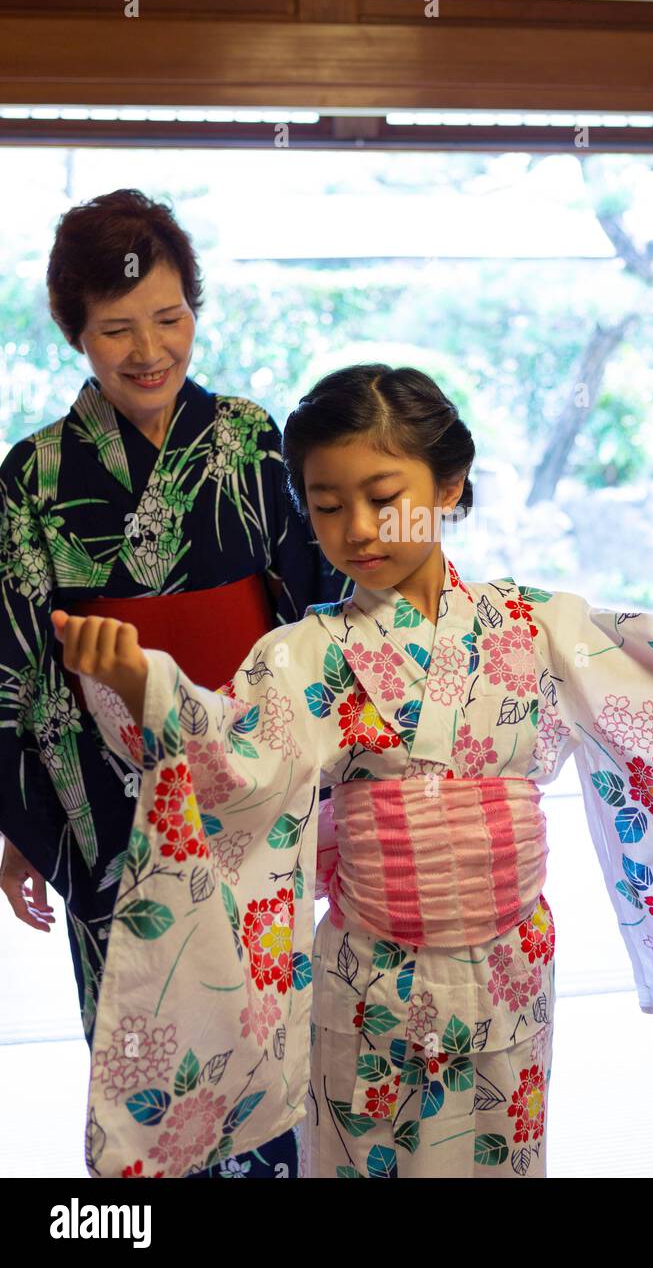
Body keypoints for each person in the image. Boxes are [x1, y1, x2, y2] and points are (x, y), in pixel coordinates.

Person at [54, 364, 653, 1179]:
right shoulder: (306, 653)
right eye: (328, 507)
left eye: (381, 496)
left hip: (509, 964)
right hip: (371, 978)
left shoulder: (533, 625)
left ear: (449, 485)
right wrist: (144, 685)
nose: (358, 529)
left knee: (502, 1161)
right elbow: (233, 762)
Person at [0, 188, 350, 1180]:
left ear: (194, 309)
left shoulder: (249, 439)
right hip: (110, 803)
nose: (148, 349)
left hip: (247, 788)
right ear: (76, 332)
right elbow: (13, 672)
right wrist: (23, 823)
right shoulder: (30, 478)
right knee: (148, 1060)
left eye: (168, 318)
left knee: (264, 1046)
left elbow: (313, 615)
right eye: (116, 328)